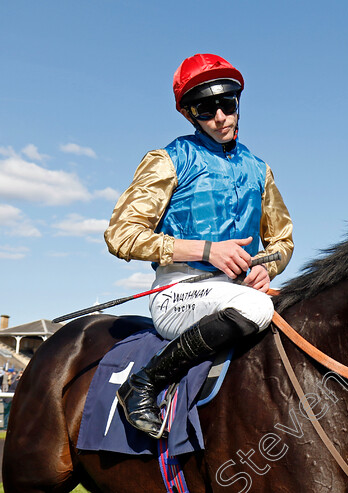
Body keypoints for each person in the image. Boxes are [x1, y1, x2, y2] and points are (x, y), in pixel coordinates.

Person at [104, 53, 294, 439]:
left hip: (235, 292)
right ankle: (142, 385)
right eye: (207, 110)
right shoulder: (168, 160)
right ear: (190, 114)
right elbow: (121, 234)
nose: (221, 117)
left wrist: (266, 267)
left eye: (228, 104)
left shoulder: (260, 169)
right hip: (177, 293)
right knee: (256, 306)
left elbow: (283, 240)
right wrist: (206, 251)